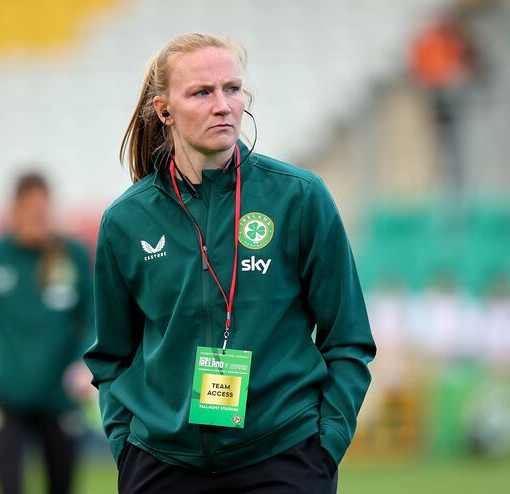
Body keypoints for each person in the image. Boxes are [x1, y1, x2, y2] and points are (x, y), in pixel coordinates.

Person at [84, 33, 376, 493]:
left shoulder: (298, 197)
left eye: (232, 89)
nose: (223, 105)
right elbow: (112, 357)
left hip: (284, 455)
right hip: (162, 462)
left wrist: (326, 445)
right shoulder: (125, 221)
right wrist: (126, 447)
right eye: (202, 92)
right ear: (164, 110)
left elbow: (348, 338)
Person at [0, 171, 93, 494]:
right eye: (31, 209)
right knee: (9, 486)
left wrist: (82, 363)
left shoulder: (73, 255)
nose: (39, 217)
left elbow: (92, 320)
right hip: (2, 398)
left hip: (59, 395)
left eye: (44, 209)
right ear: (14, 210)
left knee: (61, 485)